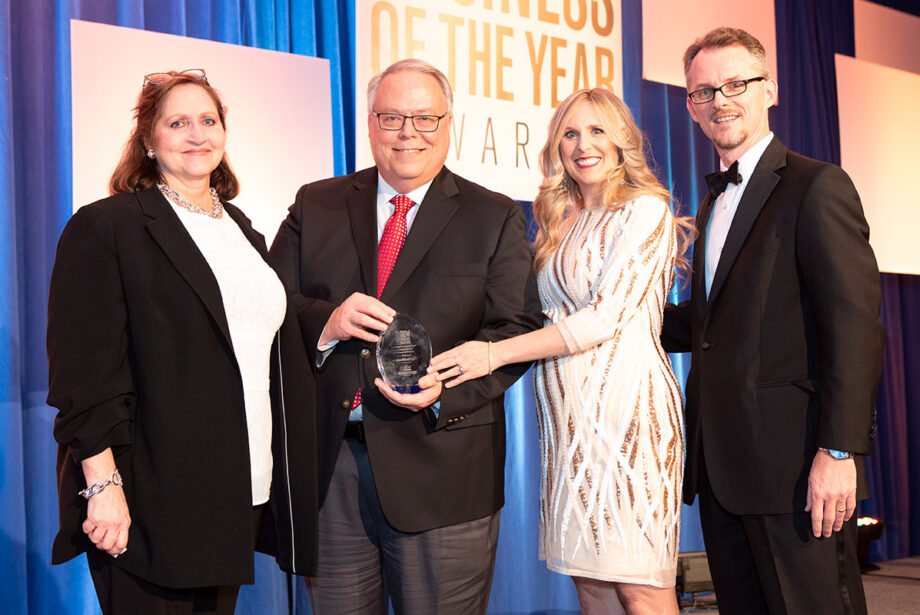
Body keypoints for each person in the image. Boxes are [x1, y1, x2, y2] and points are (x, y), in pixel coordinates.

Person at [268, 58, 542, 614]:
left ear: (449, 125)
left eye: (425, 118)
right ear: (369, 125)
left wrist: (445, 388)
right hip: (331, 473)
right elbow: (270, 305)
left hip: (445, 471)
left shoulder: (493, 216)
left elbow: (515, 331)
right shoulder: (315, 203)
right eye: (392, 118)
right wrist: (327, 321)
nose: (408, 133)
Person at [47, 69, 318, 614]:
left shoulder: (244, 231)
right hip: (149, 498)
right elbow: (83, 375)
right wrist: (103, 488)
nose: (197, 134)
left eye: (208, 120)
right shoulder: (109, 226)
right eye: (177, 122)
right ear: (148, 139)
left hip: (238, 489)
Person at [430, 88, 694, 615]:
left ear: (623, 141)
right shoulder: (561, 220)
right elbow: (536, 312)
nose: (582, 144)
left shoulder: (645, 211)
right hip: (568, 418)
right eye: (570, 133)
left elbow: (602, 317)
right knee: (589, 582)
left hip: (629, 416)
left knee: (640, 585)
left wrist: (493, 354)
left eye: (597, 130)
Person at [660, 27, 885, 614]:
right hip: (722, 469)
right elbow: (709, 326)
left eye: (736, 84)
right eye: (704, 91)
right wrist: (615, 318)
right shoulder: (711, 203)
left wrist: (838, 453)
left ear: (771, 90)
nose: (720, 101)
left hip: (794, 468)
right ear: (689, 104)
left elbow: (855, 326)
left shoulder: (817, 186)